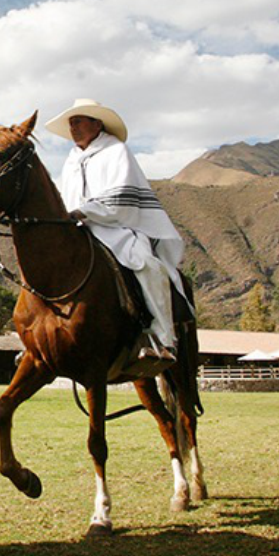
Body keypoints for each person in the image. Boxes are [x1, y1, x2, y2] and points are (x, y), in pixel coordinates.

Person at [49, 98, 187, 364]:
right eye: (70, 124)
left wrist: (85, 211)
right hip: (76, 229)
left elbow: (122, 200)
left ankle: (163, 338)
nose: (73, 128)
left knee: (148, 265)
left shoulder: (116, 151)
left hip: (115, 227)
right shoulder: (71, 161)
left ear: (97, 123)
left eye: (77, 121)